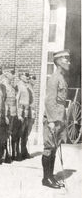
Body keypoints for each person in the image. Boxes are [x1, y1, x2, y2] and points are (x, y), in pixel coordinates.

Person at [42, 50, 70, 189]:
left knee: (54, 148)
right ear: (58, 61)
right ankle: (46, 178)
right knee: (49, 148)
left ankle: (50, 176)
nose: (69, 62)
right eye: (66, 60)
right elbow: (49, 101)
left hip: (59, 118)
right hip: (52, 119)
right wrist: (51, 121)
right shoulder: (54, 78)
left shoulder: (62, 78)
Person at [0, 67, 16, 163]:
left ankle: (7, 154)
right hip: (6, 112)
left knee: (9, 132)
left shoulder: (11, 86)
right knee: (4, 133)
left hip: (12, 112)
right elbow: (3, 101)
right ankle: (3, 154)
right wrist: (5, 115)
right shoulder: (4, 85)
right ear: (6, 74)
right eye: (11, 73)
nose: (13, 75)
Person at [16, 70, 31, 160]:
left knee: (24, 134)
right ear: (21, 76)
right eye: (26, 76)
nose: (27, 77)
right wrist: (18, 114)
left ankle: (23, 152)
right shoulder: (19, 86)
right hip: (21, 113)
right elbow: (17, 100)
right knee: (19, 134)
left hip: (25, 113)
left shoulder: (25, 86)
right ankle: (18, 153)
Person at [27, 75, 36, 141]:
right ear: (29, 80)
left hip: (32, 112)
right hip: (28, 112)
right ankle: (23, 148)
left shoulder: (32, 89)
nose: (33, 80)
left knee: (29, 129)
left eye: (34, 78)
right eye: (31, 78)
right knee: (27, 130)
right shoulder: (28, 88)